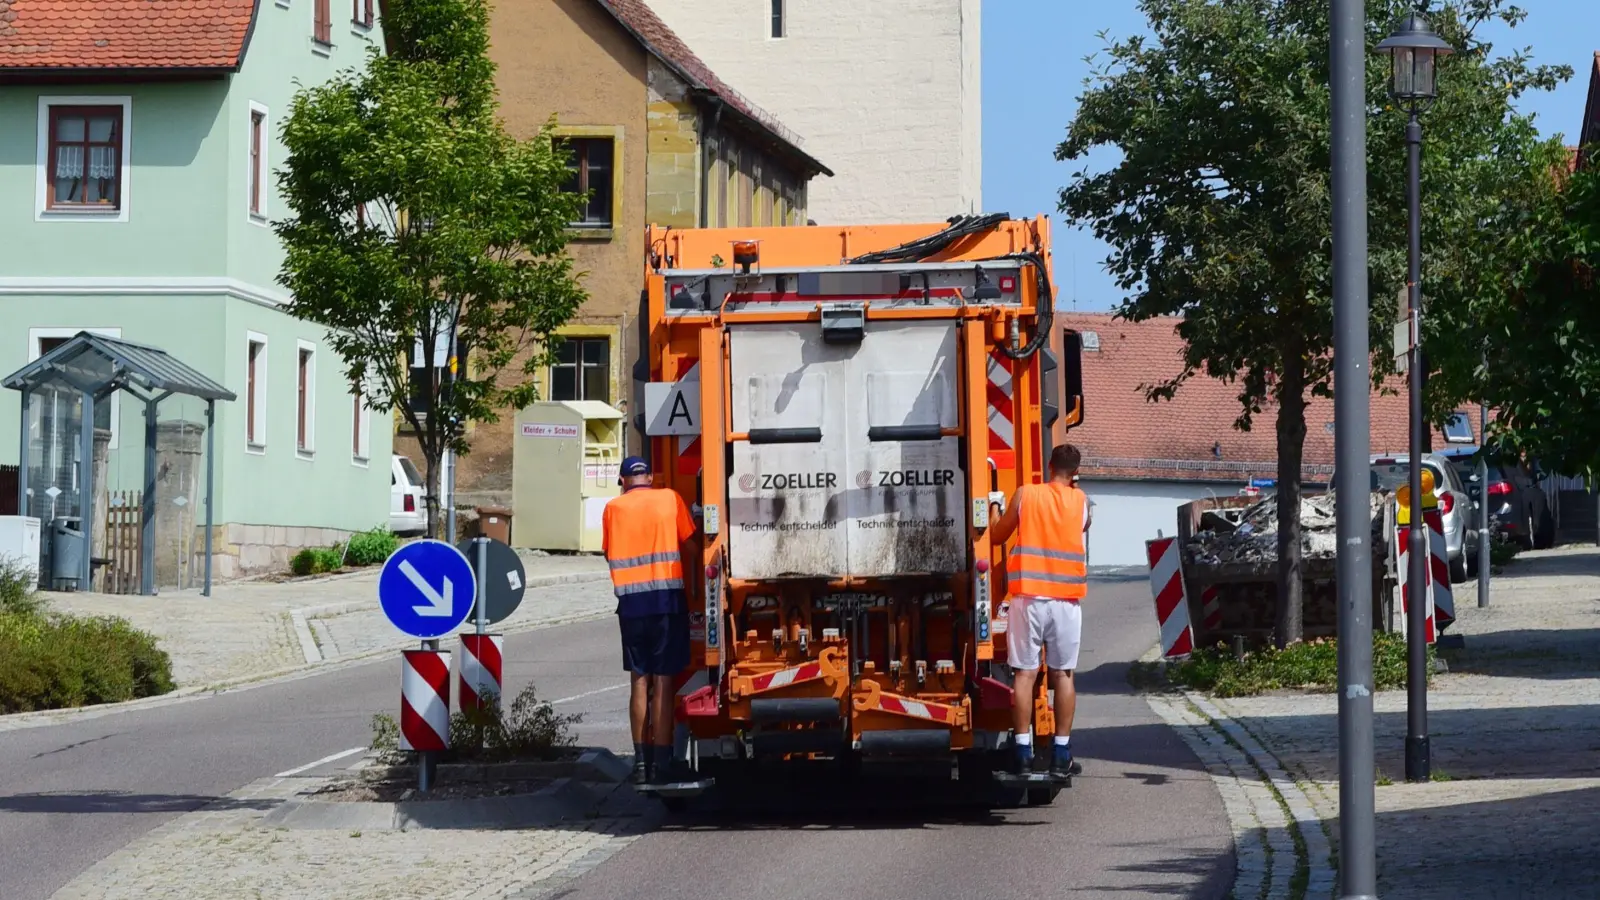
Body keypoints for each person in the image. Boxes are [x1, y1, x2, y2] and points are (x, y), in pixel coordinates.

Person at [988, 443, 1091, 778]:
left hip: (1029, 600)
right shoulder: (1082, 501)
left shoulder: (1026, 494)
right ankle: (1061, 753)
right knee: (1063, 675)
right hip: (1065, 602)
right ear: (1075, 472)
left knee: (1024, 674)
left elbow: (997, 535)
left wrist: (992, 509)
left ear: (1049, 465)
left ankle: (1021, 751)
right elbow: (1083, 526)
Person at [601, 455, 697, 785]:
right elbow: (692, 544)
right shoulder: (670, 499)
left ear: (624, 481)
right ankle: (663, 761)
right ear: (650, 478)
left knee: (639, 681)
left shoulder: (613, 509)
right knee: (665, 682)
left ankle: (641, 763)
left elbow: (607, 551)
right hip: (667, 603)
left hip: (631, 606)